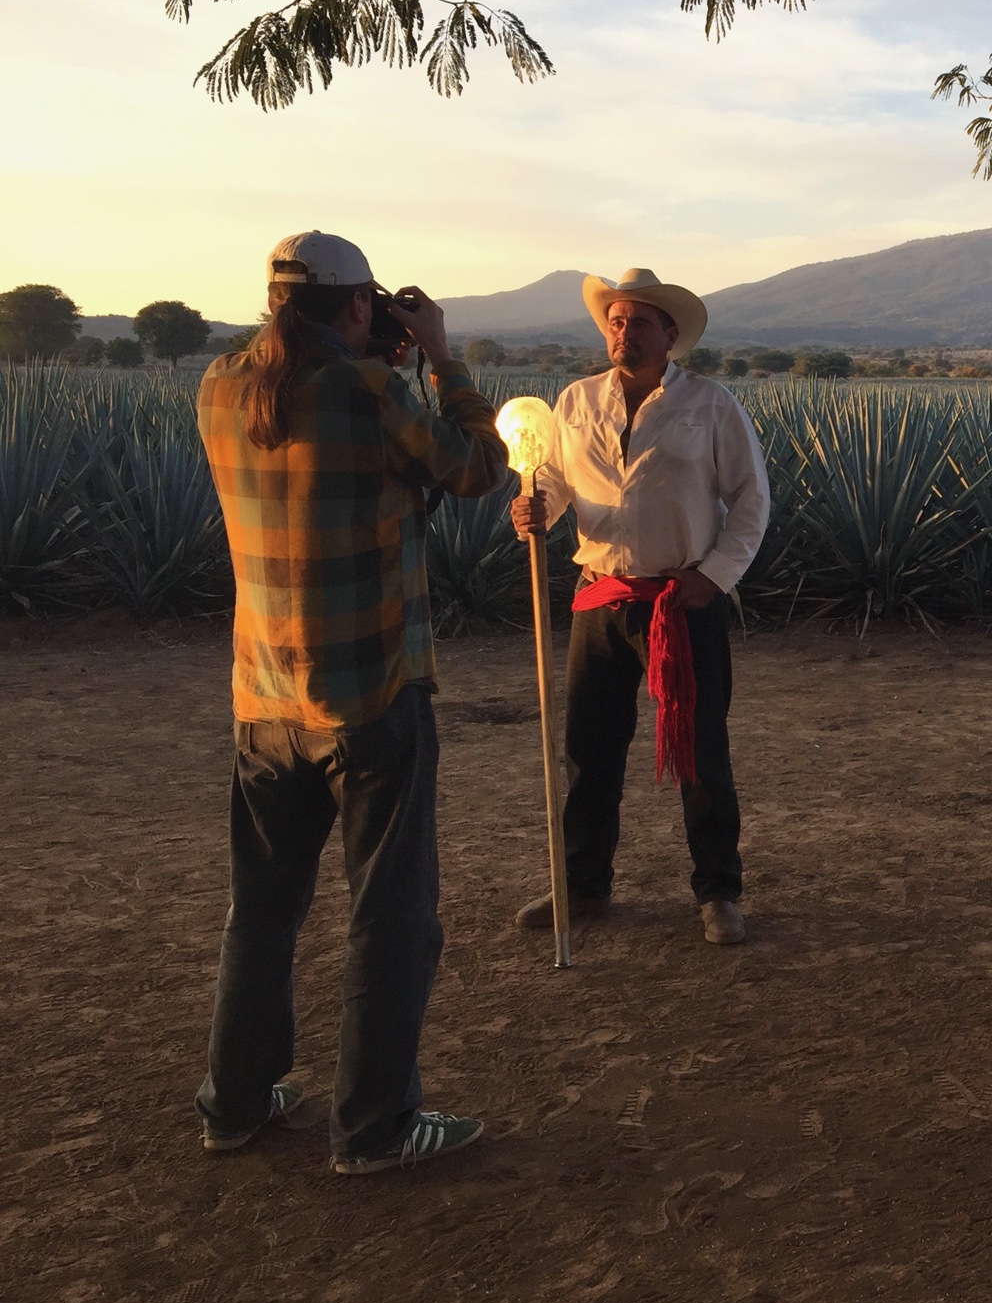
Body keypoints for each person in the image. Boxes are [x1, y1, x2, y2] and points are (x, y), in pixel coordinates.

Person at [193, 230, 509, 1174]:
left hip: (264, 698)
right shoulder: (372, 391)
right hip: (371, 693)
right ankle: (374, 1127)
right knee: (390, 912)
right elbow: (477, 469)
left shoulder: (219, 387)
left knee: (262, 910)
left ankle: (235, 1104)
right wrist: (440, 357)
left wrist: (379, 355)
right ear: (360, 304)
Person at [510, 269, 770, 945]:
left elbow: (751, 497)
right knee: (589, 752)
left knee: (700, 750)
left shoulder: (710, 405)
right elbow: (557, 480)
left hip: (682, 602)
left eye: (640, 322)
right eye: (616, 321)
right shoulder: (574, 401)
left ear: (670, 335)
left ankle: (719, 891)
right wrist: (538, 509)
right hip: (600, 596)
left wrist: (714, 577)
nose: (624, 333)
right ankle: (583, 884)